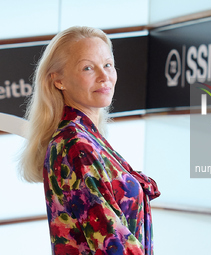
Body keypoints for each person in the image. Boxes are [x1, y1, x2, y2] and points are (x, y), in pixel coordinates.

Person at [20, 26, 160, 255]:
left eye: (107, 65)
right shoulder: (76, 145)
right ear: (58, 80)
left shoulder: (87, 137)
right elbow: (113, 246)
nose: (104, 76)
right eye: (88, 68)